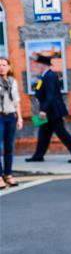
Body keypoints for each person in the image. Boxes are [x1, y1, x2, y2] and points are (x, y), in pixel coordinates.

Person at [25, 53, 71, 164]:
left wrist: (44, 110)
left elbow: (50, 95)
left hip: (53, 111)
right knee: (43, 133)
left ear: (42, 65)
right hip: (49, 110)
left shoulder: (50, 76)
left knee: (61, 133)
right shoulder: (45, 76)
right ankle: (38, 155)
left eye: (37, 64)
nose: (36, 66)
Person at [0, 56, 24, 188]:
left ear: (9, 67)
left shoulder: (12, 81)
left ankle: (8, 175)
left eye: (4, 65)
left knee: (9, 147)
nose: (1, 67)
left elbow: (17, 102)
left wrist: (19, 117)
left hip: (11, 117)